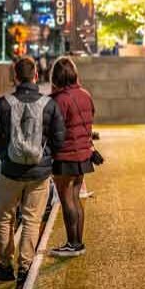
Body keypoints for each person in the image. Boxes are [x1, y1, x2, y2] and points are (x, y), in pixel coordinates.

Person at [0, 57, 65, 285]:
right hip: (39, 174)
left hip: (10, 172)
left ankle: (4, 265)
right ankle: (25, 267)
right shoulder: (49, 105)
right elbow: (59, 137)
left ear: (16, 78)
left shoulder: (3, 103)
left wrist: (4, 155)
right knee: (31, 219)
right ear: (36, 76)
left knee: (5, 219)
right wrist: (46, 156)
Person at [47, 57, 96, 258]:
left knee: (66, 199)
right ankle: (78, 242)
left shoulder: (58, 100)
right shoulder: (85, 94)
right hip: (84, 153)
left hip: (65, 155)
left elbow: (52, 129)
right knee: (76, 197)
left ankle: (72, 243)